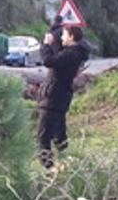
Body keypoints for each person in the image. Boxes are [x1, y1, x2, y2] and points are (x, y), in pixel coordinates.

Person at [37, 25, 91, 168]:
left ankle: (48, 168)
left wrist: (46, 45)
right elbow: (57, 55)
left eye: (64, 35)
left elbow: (49, 61)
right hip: (59, 98)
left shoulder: (70, 55)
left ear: (71, 37)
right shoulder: (74, 53)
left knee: (44, 136)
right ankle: (66, 161)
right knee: (59, 133)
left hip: (53, 98)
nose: (61, 38)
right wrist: (53, 34)